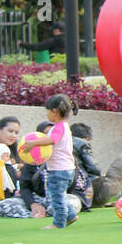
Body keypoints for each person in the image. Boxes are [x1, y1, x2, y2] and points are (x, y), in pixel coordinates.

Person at [22, 95, 78, 230]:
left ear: (55, 112)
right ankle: (70, 215)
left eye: (47, 111)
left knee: (56, 197)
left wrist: (34, 143)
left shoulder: (59, 127)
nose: (46, 114)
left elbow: (52, 140)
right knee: (59, 195)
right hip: (65, 168)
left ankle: (58, 223)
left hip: (59, 170)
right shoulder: (62, 126)